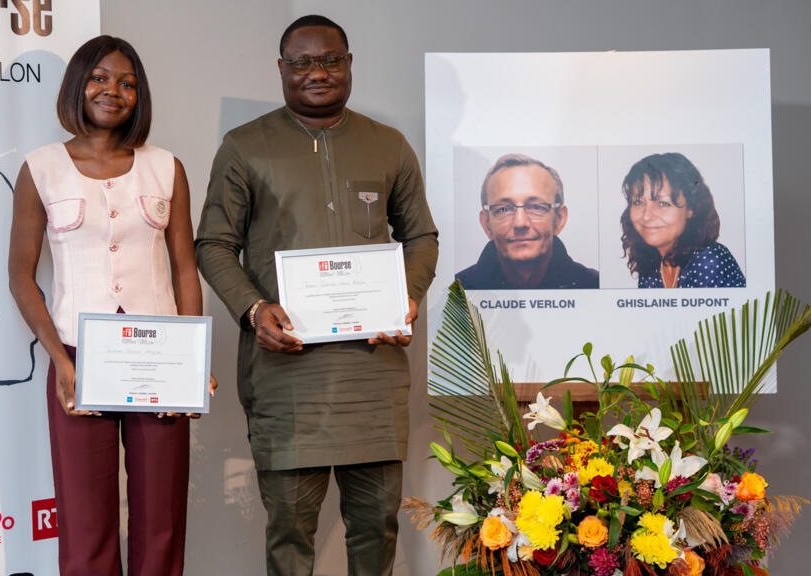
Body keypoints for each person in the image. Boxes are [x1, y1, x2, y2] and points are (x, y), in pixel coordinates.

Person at [195, 15, 438, 576]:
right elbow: (213, 243)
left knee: (376, 529)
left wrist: (407, 296)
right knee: (290, 536)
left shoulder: (388, 145)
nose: (317, 73)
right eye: (302, 63)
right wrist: (254, 309)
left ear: (348, 64)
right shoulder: (245, 147)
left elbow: (421, 236)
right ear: (282, 69)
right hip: (287, 377)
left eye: (330, 60)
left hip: (372, 375)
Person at [8, 35, 213, 576]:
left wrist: (193, 362)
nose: (112, 90)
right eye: (99, 78)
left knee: (161, 518)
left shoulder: (166, 167)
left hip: (159, 358)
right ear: (78, 85)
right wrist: (60, 361)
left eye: (127, 82)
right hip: (76, 359)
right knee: (84, 524)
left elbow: (185, 268)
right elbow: (20, 276)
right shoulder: (41, 168)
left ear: (139, 96)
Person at [456, 153, 598, 289]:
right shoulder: (456, 293)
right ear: (487, 223)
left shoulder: (594, 284)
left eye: (536, 207)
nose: (520, 223)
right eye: (504, 209)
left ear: (559, 219)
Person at [620, 152, 745, 288]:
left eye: (662, 203)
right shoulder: (652, 265)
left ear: (691, 208)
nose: (646, 216)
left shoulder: (709, 261)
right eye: (638, 202)